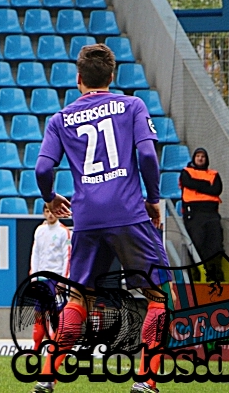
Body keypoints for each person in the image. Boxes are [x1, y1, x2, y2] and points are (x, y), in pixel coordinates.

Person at [32, 43, 167, 393]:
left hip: (87, 217)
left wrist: (50, 197)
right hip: (128, 212)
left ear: (78, 79)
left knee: (78, 299)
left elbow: (43, 167)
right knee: (158, 297)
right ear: (112, 76)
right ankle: (146, 380)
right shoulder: (132, 105)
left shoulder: (60, 119)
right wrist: (153, 199)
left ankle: (47, 375)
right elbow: (148, 156)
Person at [29, 203, 72, 350]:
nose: (50, 214)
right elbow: (35, 253)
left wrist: (64, 280)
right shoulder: (39, 230)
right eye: (47, 211)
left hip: (55, 278)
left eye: (52, 211)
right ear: (43, 213)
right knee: (39, 312)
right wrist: (33, 276)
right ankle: (36, 347)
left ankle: (56, 346)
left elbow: (68, 256)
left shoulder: (63, 232)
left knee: (56, 313)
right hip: (41, 279)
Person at [180, 147, 224, 282]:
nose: (200, 158)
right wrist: (206, 185)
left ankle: (214, 276)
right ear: (193, 158)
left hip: (211, 214)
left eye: (203, 156)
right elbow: (188, 182)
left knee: (215, 245)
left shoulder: (214, 174)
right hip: (194, 214)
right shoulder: (186, 172)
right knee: (196, 243)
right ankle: (195, 276)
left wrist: (197, 186)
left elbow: (217, 189)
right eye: (198, 156)